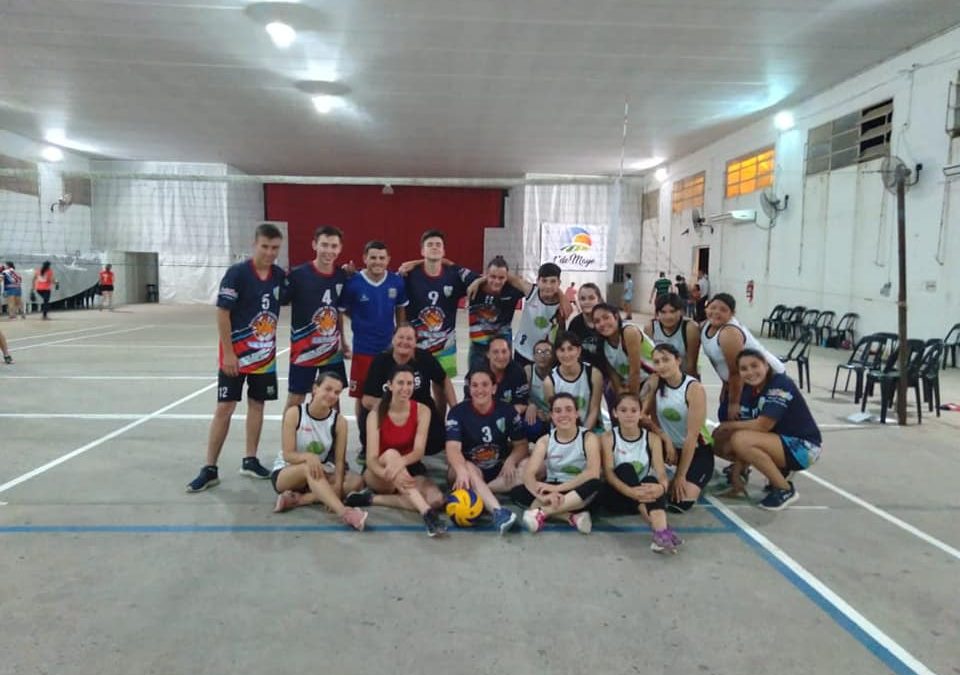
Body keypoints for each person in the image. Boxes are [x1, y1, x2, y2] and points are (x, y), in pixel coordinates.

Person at [187, 223, 286, 492]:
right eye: (265, 246)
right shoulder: (237, 274)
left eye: (275, 248)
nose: (269, 252)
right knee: (225, 408)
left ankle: (250, 460)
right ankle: (209, 467)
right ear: (254, 244)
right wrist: (229, 353)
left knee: (257, 406)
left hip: (264, 358)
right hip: (236, 358)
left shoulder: (279, 275)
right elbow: (222, 313)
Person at [711, 349, 822, 510]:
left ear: (766, 365)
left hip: (805, 448)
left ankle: (784, 489)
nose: (750, 372)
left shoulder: (781, 385)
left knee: (739, 438)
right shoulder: (748, 390)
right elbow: (747, 431)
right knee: (719, 439)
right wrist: (737, 472)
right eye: (744, 369)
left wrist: (729, 425)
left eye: (755, 366)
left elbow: (763, 426)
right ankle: (774, 471)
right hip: (777, 442)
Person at [350, 365, 447, 536]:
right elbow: (372, 459)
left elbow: (418, 452)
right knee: (391, 454)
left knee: (437, 500)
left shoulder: (422, 411)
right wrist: (386, 472)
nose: (405, 388)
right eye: (400, 383)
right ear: (390, 385)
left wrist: (399, 465)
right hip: (379, 473)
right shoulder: (376, 413)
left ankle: (372, 499)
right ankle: (427, 514)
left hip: (409, 470)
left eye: (409, 383)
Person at [270, 372, 368, 530]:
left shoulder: (339, 422)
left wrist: (337, 487)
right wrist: (308, 457)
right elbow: (288, 454)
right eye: (327, 389)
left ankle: (300, 499)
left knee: (356, 482)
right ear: (315, 389)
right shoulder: (295, 413)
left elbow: (339, 460)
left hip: (319, 473)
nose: (332, 395)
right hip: (288, 472)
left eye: (336, 392)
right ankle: (345, 513)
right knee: (309, 467)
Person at [446, 368, 529, 535]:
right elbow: (453, 448)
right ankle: (498, 512)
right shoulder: (457, 412)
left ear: (494, 388)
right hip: (468, 470)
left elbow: (521, 445)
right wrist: (461, 470)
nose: (479, 390)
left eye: (484, 384)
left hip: (498, 470)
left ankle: (483, 492)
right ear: (469, 388)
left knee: (536, 466)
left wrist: (511, 460)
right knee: (468, 466)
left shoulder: (507, 411)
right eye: (474, 385)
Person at [599, 393, 681, 553]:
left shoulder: (652, 439)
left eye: (633, 410)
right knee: (625, 469)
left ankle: (660, 533)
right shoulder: (608, 438)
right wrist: (630, 492)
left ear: (640, 412)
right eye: (623, 410)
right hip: (619, 495)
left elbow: (662, 474)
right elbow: (609, 474)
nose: (628, 415)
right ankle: (658, 528)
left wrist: (662, 488)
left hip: (642, 495)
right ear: (615, 413)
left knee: (652, 480)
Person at [339, 240, 408, 424]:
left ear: (388, 260)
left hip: (387, 349)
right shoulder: (353, 283)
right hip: (363, 349)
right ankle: (364, 438)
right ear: (364, 258)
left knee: (387, 392)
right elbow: (342, 309)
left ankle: (385, 431)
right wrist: (345, 338)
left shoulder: (396, 282)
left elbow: (400, 311)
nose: (377, 261)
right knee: (362, 396)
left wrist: (400, 339)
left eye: (381, 258)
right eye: (373, 257)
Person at [362, 323, 456, 457]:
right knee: (366, 421)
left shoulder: (424, 358)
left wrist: (455, 409)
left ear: (415, 342)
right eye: (401, 337)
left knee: (436, 442)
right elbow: (366, 400)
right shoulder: (380, 362)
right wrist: (396, 409)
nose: (404, 342)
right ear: (393, 339)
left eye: (409, 338)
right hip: (392, 416)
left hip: (420, 415)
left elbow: (443, 379)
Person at [513, 393, 602, 534]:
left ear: (577, 414)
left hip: (578, 490)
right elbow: (529, 474)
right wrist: (543, 496)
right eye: (558, 411)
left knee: (596, 484)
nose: (563, 414)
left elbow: (592, 472)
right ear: (552, 416)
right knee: (518, 492)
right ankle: (572, 517)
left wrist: (558, 489)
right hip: (554, 489)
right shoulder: (545, 440)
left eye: (568, 409)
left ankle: (541, 512)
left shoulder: (588, 437)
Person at [285, 226, 350, 410]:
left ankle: (333, 437)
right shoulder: (298, 275)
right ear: (314, 245)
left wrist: (343, 341)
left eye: (333, 246)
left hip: (331, 351)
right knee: (296, 398)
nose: (329, 250)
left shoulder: (341, 275)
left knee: (333, 397)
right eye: (324, 245)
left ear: (340, 248)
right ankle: (289, 437)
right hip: (304, 352)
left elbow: (338, 311)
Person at [645, 344, 715, 513]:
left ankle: (692, 477)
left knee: (679, 503)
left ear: (678, 360)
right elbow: (641, 417)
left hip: (696, 450)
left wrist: (680, 476)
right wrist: (666, 440)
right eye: (657, 362)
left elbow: (692, 437)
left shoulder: (693, 388)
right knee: (641, 490)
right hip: (667, 447)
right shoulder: (655, 384)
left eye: (666, 360)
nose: (661, 365)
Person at [399, 230, 478, 378]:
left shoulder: (454, 275)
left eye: (438, 245)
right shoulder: (409, 275)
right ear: (422, 251)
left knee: (443, 386)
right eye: (430, 245)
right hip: (417, 345)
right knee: (414, 386)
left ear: (443, 251)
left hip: (445, 346)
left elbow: (478, 280)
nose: (434, 247)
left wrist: (450, 264)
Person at [701, 293, 784, 423]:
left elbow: (736, 372)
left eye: (723, 310)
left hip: (766, 378)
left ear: (731, 314)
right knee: (725, 418)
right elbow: (722, 365)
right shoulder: (705, 326)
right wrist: (725, 384)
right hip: (744, 379)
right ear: (706, 308)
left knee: (732, 420)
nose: (716, 312)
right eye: (713, 307)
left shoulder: (729, 333)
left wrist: (734, 403)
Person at [466, 256, 525, 370]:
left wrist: (562, 297)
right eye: (493, 276)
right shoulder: (473, 286)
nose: (497, 281)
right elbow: (448, 265)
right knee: (476, 382)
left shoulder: (513, 290)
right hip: (478, 346)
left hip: (502, 348)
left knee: (503, 382)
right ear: (486, 274)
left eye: (501, 277)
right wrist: (479, 280)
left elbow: (539, 289)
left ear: (507, 278)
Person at [542, 332, 604, 434]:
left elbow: (594, 410)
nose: (566, 355)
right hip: (563, 431)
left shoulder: (594, 374)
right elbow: (554, 414)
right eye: (562, 350)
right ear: (556, 353)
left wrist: (582, 436)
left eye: (570, 349)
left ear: (579, 351)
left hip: (591, 428)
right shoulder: (549, 382)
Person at [512, 262, 570, 369]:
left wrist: (561, 295)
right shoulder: (531, 291)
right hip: (522, 351)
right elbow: (508, 277)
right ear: (537, 281)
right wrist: (479, 280)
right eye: (544, 281)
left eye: (553, 281)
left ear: (559, 283)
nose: (548, 286)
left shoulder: (563, 305)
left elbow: (568, 312)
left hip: (547, 357)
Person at [592, 302, 653, 397]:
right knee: (610, 389)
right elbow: (613, 374)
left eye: (606, 317)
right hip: (632, 382)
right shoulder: (602, 344)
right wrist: (620, 393)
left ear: (616, 317)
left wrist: (632, 401)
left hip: (652, 378)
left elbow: (635, 371)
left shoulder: (629, 332)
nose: (602, 323)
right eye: (597, 321)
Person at [469, 336, 529, 413]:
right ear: (488, 354)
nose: (501, 356)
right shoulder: (476, 371)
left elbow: (522, 403)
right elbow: (469, 403)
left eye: (504, 351)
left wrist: (504, 416)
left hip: (509, 416)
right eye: (495, 352)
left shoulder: (518, 371)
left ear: (510, 353)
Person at [645, 293, 701, 376]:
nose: (668, 316)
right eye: (663, 312)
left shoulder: (690, 328)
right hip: (659, 376)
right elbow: (649, 360)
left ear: (681, 311)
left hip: (684, 376)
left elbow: (691, 365)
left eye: (673, 311)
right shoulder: (650, 328)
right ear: (657, 314)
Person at [522, 338, 554, 442]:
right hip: (535, 413)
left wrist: (549, 415)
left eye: (547, 352)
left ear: (553, 356)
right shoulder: (529, 370)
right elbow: (522, 396)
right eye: (538, 352)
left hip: (554, 414)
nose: (542, 355)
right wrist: (531, 405)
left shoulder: (557, 373)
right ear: (533, 356)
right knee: (531, 425)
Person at [566, 283, 603, 366]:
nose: (587, 302)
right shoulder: (575, 324)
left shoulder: (605, 322)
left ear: (599, 300)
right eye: (583, 299)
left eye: (591, 298)